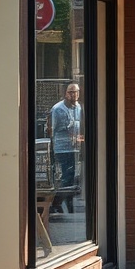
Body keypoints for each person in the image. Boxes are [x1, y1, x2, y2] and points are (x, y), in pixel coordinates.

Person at [50, 82, 81, 214]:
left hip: (76, 147)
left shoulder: (79, 108)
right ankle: (56, 202)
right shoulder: (58, 109)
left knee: (73, 177)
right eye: (71, 92)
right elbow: (52, 130)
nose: (74, 95)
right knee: (67, 176)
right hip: (63, 148)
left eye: (76, 92)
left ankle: (67, 204)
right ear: (65, 93)